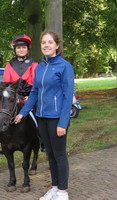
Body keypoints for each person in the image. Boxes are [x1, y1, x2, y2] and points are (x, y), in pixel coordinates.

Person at [14, 30, 74, 200]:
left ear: (57, 45)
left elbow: (67, 96)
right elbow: (34, 92)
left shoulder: (65, 66)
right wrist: (23, 113)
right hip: (41, 117)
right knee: (50, 154)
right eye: (43, 43)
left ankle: (63, 193)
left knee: (60, 155)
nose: (46, 45)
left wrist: (63, 122)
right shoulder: (40, 67)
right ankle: (55, 188)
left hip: (57, 119)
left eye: (49, 42)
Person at [0, 34, 39, 155]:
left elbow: (36, 82)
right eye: (18, 48)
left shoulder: (34, 65)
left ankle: (42, 138)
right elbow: (6, 84)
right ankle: (3, 141)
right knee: (1, 112)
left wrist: (31, 96)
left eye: (24, 47)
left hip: (29, 96)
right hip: (14, 97)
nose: (21, 50)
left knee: (39, 112)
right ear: (15, 50)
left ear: (27, 49)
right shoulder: (9, 66)